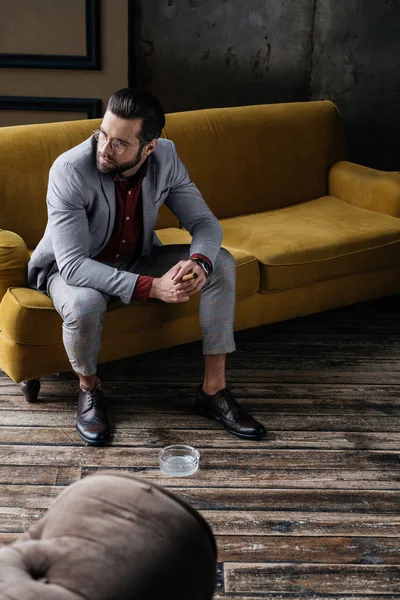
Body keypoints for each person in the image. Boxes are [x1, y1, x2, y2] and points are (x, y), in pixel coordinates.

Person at [25, 88, 266, 446]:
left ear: (149, 147)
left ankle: (213, 391)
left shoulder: (166, 158)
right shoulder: (70, 169)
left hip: (137, 256)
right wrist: (152, 287)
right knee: (85, 304)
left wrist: (199, 262)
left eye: (120, 144)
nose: (104, 149)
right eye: (102, 134)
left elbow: (205, 223)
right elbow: (74, 266)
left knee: (221, 264)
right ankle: (89, 389)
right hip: (71, 268)